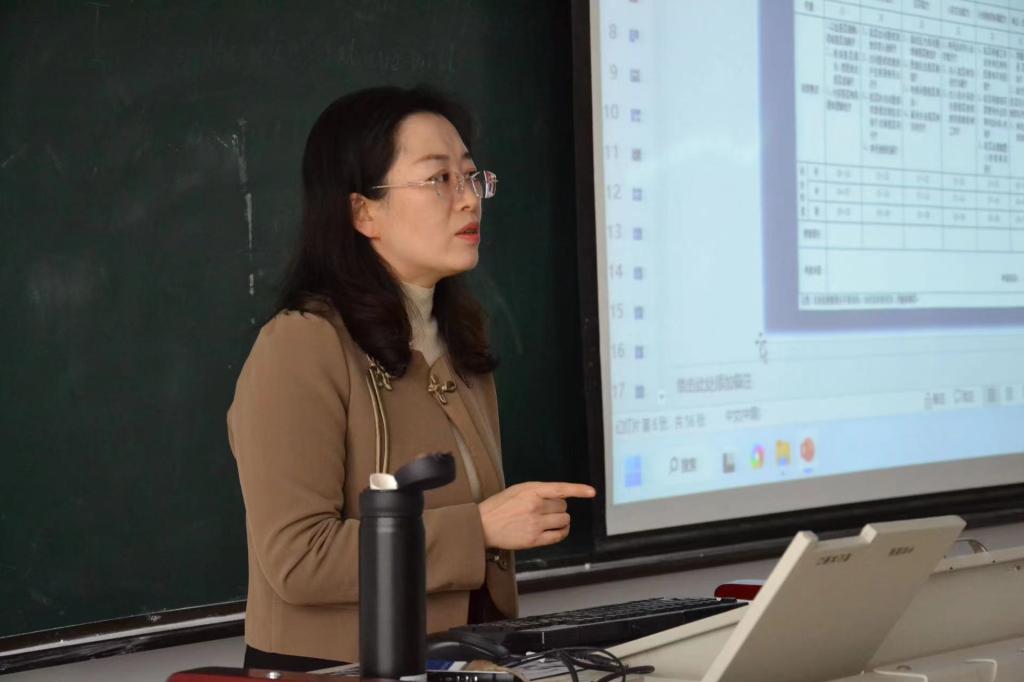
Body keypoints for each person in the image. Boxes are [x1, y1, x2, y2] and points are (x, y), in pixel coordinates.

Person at [227, 86, 595, 671]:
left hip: (462, 659)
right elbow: (298, 559)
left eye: (471, 177)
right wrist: (480, 528)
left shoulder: (459, 339)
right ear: (363, 212)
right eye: (439, 179)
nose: (468, 199)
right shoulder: (301, 345)